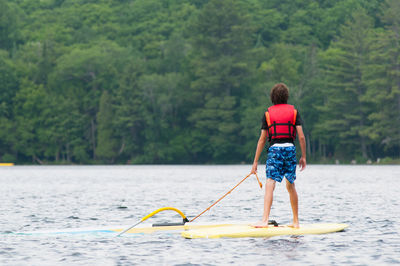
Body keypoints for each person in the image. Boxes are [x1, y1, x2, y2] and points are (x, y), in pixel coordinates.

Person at [251, 83, 306, 228]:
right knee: (291, 184)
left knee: (270, 183)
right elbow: (301, 137)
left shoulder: (268, 114)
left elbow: (262, 139)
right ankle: (296, 221)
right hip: (290, 149)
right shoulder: (294, 112)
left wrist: (255, 162)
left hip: (275, 150)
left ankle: (264, 220)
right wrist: (303, 157)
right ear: (286, 96)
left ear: (272, 97)